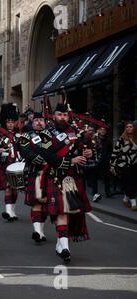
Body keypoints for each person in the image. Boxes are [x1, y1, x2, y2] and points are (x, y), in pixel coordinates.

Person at [41, 103, 92, 262]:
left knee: (70, 212)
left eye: (65, 115)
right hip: (56, 176)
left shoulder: (76, 132)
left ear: (68, 116)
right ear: (54, 116)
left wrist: (89, 153)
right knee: (62, 212)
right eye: (59, 115)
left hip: (73, 178)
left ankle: (60, 243)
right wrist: (71, 160)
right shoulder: (46, 135)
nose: (62, 118)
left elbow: (82, 150)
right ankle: (65, 248)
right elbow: (48, 156)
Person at [19, 111, 50, 244]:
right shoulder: (27, 136)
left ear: (45, 122)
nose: (39, 122)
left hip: (49, 173)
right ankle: (37, 231)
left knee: (46, 205)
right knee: (37, 203)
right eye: (36, 120)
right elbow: (24, 151)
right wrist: (40, 159)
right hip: (34, 172)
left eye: (41, 120)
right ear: (32, 123)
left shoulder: (51, 135)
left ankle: (41, 231)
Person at [0, 103, 21, 222]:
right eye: (8, 122)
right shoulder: (0, 134)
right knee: (8, 187)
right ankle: (8, 211)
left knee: (15, 188)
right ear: (4, 122)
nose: (10, 124)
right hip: (5, 163)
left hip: (16, 163)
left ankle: (12, 210)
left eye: (12, 121)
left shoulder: (19, 135)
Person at [110, 121, 137, 210]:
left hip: (135, 164)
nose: (129, 128)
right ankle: (133, 201)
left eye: (131, 127)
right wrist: (112, 165)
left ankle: (126, 198)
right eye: (127, 127)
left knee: (133, 182)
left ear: (134, 128)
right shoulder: (121, 139)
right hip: (124, 164)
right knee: (128, 182)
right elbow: (116, 152)